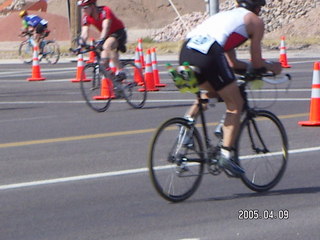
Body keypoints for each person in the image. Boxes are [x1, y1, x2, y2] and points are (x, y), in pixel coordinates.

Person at [179, 0, 282, 176]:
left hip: (186, 51)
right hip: (210, 53)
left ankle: (184, 133)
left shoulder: (223, 16)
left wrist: (247, 67)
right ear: (257, 8)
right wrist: (274, 67)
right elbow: (257, 62)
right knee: (236, 104)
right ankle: (226, 155)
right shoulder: (255, 21)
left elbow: (232, 63)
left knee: (210, 93)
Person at [77, 0, 127, 79]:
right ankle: (115, 83)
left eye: (85, 7)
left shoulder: (104, 11)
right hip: (107, 37)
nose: (83, 10)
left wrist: (101, 40)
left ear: (92, 6)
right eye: (82, 8)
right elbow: (84, 33)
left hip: (118, 32)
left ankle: (120, 71)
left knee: (107, 46)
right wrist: (80, 45)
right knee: (103, 63)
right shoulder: (86, 17)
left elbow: (106, 27)